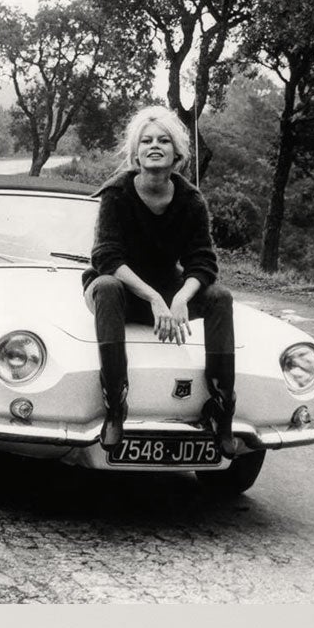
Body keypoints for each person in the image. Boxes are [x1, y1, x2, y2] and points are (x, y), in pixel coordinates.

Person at [86, 104, 237, 460]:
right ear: (135, 152)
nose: (155, 146)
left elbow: (203, 261)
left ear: (177, 153)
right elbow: (106, 258)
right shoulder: (116, 194)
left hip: (170, 291)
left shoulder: (192, 201)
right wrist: (154, 298)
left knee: (220, 297)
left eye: (164, 140)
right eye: (146, 140)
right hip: (121, 290)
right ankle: (115, 404)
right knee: (106, 286)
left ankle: (221, 406)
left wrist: (181, 298)